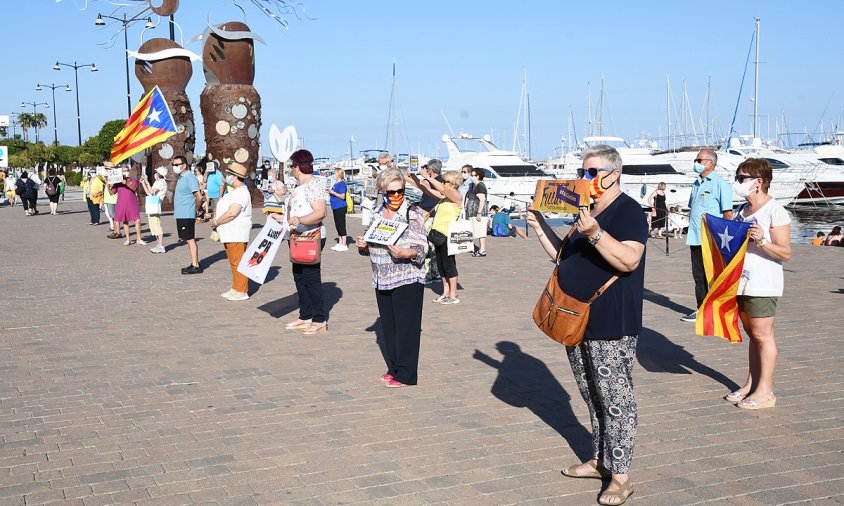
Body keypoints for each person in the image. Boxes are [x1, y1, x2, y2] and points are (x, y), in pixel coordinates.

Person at [526, 144, 646, 506]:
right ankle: (600, 460)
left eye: (591, 173)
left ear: (614, 174)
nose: (585, 179)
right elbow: (563, 257)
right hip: (575, 317)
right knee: (592, 395)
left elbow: (628, 260)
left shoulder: (628, 212)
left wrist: (594, 232)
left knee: (615, 397)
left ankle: (621, 477)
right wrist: (539, 225)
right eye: (583, 173)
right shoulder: (587, 210)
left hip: (610, 319)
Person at [725, 158, 792, 410]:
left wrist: (763, 240)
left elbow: (785, 252)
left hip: (764, 283)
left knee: (764, 335)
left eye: (742, 178)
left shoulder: (775, 210)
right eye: (737, 177)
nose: (737, 182)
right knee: (752, 335)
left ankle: (766, 390)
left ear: (758, 182)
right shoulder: (743, 210)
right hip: (741, 282)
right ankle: (752, 383)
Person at [355, 167, 428, 388]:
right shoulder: (377, 213)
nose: (397, 196)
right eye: (392, 192)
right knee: (390, 326)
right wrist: (363, 246)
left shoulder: (411, 213)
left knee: (407, 327)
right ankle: (394, 367)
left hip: (407, 276)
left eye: (400, 191)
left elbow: (423, 246)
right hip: (381, 276)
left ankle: (407, 375)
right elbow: (370, 242)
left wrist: (408, 253)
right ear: (382, 192)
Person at [278, 149, 328, 334]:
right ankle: (305, 315)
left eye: (292, 165)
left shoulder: (313, 184)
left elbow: (321, 212)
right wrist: (282, 220)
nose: (292, 169)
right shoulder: (300, 187)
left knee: (311, 278)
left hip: (311, 238)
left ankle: (319, 318)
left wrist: (301, 220)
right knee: (299, 277)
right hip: (297, 237)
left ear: (297, 167)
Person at [682, 148, 733, 322]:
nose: (695, 163)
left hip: (711, 238)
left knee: (712, 274)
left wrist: (725, 238)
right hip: (695, 237)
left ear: (710, 163)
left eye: (699, 160)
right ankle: (701, 309)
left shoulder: (720, 184)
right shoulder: (696, 183)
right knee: (698, 276)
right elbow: (693, 207)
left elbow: (727, 213)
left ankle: (715, 309)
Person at [210, 163, 253, 301]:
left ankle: (241, 290)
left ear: (234, 176)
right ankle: (236, 287)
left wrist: (217, 221)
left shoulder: (241, 192)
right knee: (234, 261)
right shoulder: (235, 191)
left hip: (236, 232)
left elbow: (232, 212)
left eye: (228, 174)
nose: (226, 176)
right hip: (230, 232)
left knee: (238, 261)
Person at [422, 170, 463, 304]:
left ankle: (453, 294)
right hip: (438, 234)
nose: (442, 184)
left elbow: (443, 191)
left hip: (448, 234)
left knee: (449, 265)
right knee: (441, 265)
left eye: (445, 181)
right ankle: (445, 292)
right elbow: (427, 190)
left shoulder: (456, 196)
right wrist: (412, 178)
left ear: (453, 183)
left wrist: (428, 177)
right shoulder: (444, 198)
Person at [172, 155, 203, 274]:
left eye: (176, 165)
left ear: (184, 165)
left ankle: (195, 265)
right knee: (188, 239)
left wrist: (196, 209)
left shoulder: (190, 177)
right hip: (181, 214)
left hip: (187, 214)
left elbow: (199, 197)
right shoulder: (182, 177)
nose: (174, 167)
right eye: (173, 165)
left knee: (190, 239)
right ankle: (194, 262)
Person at [109, 168, 145, 246]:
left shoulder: (133, 180)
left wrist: (126, 184)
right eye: (124, 171)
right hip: (122, 204)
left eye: (126, 170)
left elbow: (134, 189)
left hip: (132, 203)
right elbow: (112, 193)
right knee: (125, 221)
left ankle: (139, 239)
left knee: (137, 220)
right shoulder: (117, 183)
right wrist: (107, 185)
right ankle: (128, 239)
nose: (126, 172)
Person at [140, 167, 169, 253]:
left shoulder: (161, 182)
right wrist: (146, 182)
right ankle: (158, 245)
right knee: (153, 226)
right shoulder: (158, 182)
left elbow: (150, 192)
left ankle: (161, 246)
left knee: (157, 226)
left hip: (155, 206)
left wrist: (144, 183)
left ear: (159, 174)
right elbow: (150, 191)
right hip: (152, 205)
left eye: (156, 172)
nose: (154, 174)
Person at [467, 168, 489, 257]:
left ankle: (482, 250)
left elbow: (482, 200)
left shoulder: (480, 186)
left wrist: (479, 213)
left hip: (479, 213)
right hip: (474, 212)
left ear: (478, 176)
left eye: (472, 175)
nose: (471, 177)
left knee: (481, 232)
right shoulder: (474, 186)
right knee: (478, 231)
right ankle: (480, 249)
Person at [328, 168, 349, 251]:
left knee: (341, 224)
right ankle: (340, 242)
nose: (334, 174)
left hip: (340, 206)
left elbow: (342, 196)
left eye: (335, 172)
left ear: (339, 174)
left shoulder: (342, 184)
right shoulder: (335, 183)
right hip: (335, 206)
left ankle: (344, 244)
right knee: (337, 225)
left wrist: (333, 192)